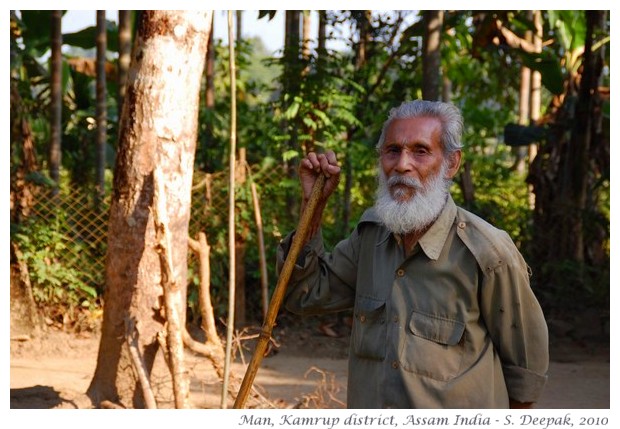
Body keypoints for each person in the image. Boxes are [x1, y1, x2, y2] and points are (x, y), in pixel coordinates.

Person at [277, 100, 549, 409]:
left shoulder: (489, 252)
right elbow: (305, 295)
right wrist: (313, 207)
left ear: (451, 163)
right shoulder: (370, 236)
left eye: (420, 151)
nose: (402, 164)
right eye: (392, 150)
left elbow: (526, 376)